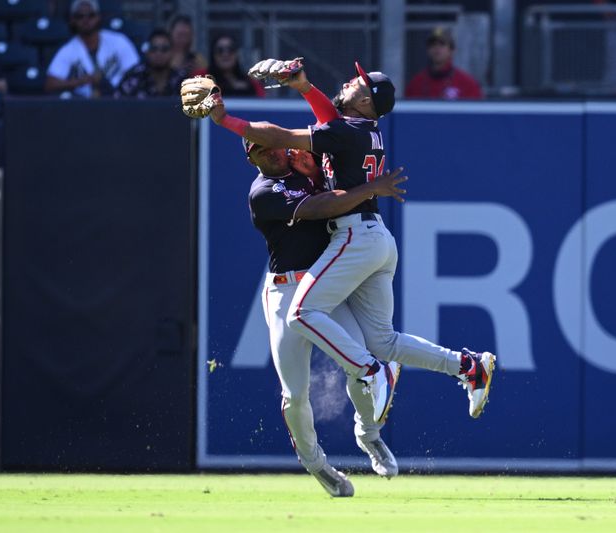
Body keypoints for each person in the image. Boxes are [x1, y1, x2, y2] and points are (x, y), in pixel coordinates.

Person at [206, 59, 496, 423]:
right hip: (376, 239)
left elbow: (278, 137)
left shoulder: (349, 131)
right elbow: (331, 121)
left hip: (354, 235)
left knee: (300, 312)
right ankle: (469, 367)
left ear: (366, 103)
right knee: (385, 341)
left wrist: (225, 120)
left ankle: (371, 371)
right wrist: (303, 87)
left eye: (359, 83)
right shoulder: (358, 128)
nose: (350, 81)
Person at [246, 139, 407, 497]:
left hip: (324, 286)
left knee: (361, 361)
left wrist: (320, 170)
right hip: (285, 289)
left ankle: (369, 435)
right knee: (295, 393)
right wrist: (370, 189)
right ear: (250, 158)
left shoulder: (307, 165)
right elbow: (320, 208)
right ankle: (316, 464)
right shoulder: (263, 192)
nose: (271, 151)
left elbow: (333, 136)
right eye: (260, 150)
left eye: (273, 144)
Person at [45, 0, 139, 98]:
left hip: (121, 100)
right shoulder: (69, 49)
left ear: (98, 17)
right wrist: (82, 81)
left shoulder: (119, 40)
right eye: (80, 16)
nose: (86, 20)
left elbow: (137, 73)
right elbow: (50, 84)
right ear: (72, 19)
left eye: (91, 15)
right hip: (86, 105)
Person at [405, 27, 482, 100]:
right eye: (433, 44)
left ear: (452, 50)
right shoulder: (416, 83)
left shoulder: (468, 84)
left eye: (442, 44)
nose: (437, 48)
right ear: (427, 50)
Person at [115, 29, 185, 98]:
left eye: (164, 49)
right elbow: (116, 105)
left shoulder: (181, 81)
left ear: (172, 52)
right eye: (154, 48)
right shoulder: (134, 78)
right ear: (147, 52)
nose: (158, 53)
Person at [167, 14, 207, 80]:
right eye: (180, 35)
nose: (183, 39)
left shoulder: (197, 60)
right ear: (170, 34)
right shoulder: (163, 56)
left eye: (186, 35)